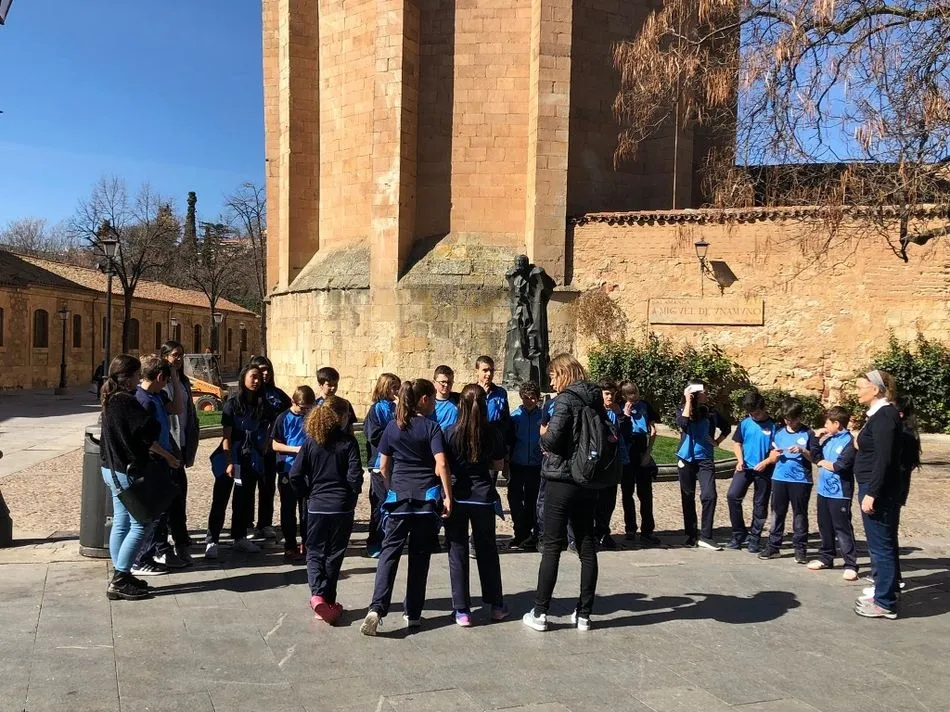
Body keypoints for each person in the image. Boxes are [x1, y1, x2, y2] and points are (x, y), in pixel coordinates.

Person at [523, 354, 613, 633]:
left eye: (552, 376)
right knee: (587, 546)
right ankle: (584, 614)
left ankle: (540, 612)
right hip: (587, 479)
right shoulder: (595, 399)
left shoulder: (564, 400)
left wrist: (543, 432)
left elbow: (552, 440)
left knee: (552, 546)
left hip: (562, 479)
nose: (551, 382)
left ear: (563, 373)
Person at [360, 379, 453, 636]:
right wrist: (448, 496)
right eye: (432, 399)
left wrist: (392, 487)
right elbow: (441, 464)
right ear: (424, 399)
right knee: (419, 556)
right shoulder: (432, 428)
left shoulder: (393, 427)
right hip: (425, 500)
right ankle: (413, 612)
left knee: (389, 554)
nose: (435, 404)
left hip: (399, 499)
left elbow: (383, 466)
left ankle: (376, 608)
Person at [99, 355, 180, 601]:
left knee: (122, 522)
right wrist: (167, 455)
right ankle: (120, 578)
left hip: (111, 469)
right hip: (127, 471)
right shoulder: (126, 401)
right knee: (141, 523)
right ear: (129, 377)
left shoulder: (110, 398)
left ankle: (121, 573)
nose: (139, 379)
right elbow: (148, 432)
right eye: (136, 375)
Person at [290, 395, 364, 624]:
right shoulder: (348, 442)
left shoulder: (311, 443)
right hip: (341, 506)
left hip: (317, 505)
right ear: (339, 418)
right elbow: (354, 475)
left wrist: (306, 493)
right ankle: (328, 599)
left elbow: (295, 474)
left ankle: (318, 595)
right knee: (334, 554)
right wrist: (353, 494)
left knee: (314, 551)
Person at [444, 384, 509, 626]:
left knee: (457, 550)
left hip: (458, 495)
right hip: (483, 496)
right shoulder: (493, 433)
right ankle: (496, 605)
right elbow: (498, 464)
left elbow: (444, 464)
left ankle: (462, 609)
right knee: (487, 550)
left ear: (460, 404)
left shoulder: (450, 432)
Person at [851, 370, 903, 620]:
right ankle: (886, 591)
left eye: (860, 387)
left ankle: (885, 602)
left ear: (875, 389)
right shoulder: (879, 415)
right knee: (883, 544)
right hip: (875, 487)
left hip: (878, 491)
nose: (857, 392)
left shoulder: (885, 416)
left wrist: (872, 492)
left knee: (881, 546)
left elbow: (884, 459)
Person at [205, 364, 270, 557]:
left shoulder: (262, 405)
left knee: (243, 499)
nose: (256, 381)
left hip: (250, 457)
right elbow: (226, 436)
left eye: (259, 378)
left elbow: (265, 428)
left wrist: (263, 447)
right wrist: (229, 461)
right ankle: (212, 539)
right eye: (253, 377)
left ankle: (240, 537)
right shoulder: (232, 404)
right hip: (232, 454)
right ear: (243, 378)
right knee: (221, 498)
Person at [130, 354, 185, 577]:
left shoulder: (157, 395)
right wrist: (168, 456)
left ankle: (153, 553)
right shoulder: (142, 400)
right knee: (152, 513)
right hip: (153, 460)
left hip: (162, 458)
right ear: (159, 376)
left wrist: (175, 379)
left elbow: (178, 408)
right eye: (166, 379)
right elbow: (145, 439)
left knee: (161, 511)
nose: (167, 384)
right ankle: (141, 559)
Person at [757, 398, 821, 564]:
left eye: (792, 419)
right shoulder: (778, 432)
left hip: (801, 480)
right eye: (786, 419)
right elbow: (771, 453)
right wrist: (774, 456)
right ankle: (773, 546)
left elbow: (816, 459)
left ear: (799, 417)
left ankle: (800, 549)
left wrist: (803, 450)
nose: (789, 422)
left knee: (799, 515)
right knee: (777, 513)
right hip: (779, 478)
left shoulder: (808, 433)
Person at [675, 380, 731, 550]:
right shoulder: (682, 409)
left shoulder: (711, 412)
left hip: (705, 458)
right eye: (704, 392)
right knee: (687, 496)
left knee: (709, 495)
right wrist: (688, 401)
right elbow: (683, 423)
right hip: (686, 458)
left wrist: (717, 441)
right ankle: (691, 535)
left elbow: (726, 427)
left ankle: (706, 536)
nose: (707, 394)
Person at [159, 341, 198, 567]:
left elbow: (187, 412)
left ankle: (180, 539)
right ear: (164, 357)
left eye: (181, 355)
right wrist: (172, 376)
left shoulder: (183, 381)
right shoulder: (162, 383)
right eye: (175, 355)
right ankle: (175, 542)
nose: (179, 359)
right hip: (168, 446)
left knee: (180, 493)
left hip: (181, 442)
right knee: (171, 496)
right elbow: (174, 408)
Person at [810, 406, 858, 580]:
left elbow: (840, 466)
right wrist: (816, 438)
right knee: (824, 525)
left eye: (827, 423)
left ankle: (851, 564)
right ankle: (826, 557)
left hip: (840, 493)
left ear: (836, 423)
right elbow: (816, 456)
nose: (825, 426)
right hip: (823, 491)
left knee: (842, 528)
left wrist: (824, 463)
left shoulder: (849, 442)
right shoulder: (829, 440)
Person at [727, 390, 776, 553]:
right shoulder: (745, 423)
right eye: (751, 414)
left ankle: (755, 537)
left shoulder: (774, 426)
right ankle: (738, 533)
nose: (753, 416)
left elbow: (776, 452)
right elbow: (737, 443)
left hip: (764, 470)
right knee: (733, 496)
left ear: (763, 409)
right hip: (745, 468)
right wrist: (740, 460)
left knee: (760, 504)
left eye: (756, 413)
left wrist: (766, 462)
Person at [249, 355, 292, 541]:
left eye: (267, 370)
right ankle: (247, 524)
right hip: (251, 448)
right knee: (248, 488)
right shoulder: (247, 395)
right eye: (261, 370)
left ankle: (265, 523)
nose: (265, 374)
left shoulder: (278, 395)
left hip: (270, 448)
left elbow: (289, 414)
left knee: (267, 486)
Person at [272, 386, 317, 562]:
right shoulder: (283, 418)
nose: (305, 412)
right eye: (302, 408)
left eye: (308, 408)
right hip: (288, 468)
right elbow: (275, 445)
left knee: (306, 510)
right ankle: (290, 545)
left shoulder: (312, 417)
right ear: (293, 402)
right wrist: (296, 450)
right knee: (288, 509)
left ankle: (307, 543)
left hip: (308, 470)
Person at [363, 373, 401, 558]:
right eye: (394, 387)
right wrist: (392, 438)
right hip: (379, 463)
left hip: (396, 462)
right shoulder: (376, 409)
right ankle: (375, 540)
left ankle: (390, 539)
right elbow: (373, 435)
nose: (397, 391)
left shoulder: (396, 407)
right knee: (379, 503)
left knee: (393, 501)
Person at [619, 380, 660, 547]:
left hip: (641, 449)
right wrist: (626, 415)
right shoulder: (620, 407)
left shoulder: (645, 406)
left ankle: (647, 530)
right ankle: (630, 528)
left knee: (645, 494)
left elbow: (653, 431)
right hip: (627, 451)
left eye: (635, 392)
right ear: (623, 396)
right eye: (630, 394)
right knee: (627, 492)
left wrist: (648, 454)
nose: (634, 396)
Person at [508, 381, 543, 551]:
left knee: (533, 500)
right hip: (517, 463)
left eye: (533, 398)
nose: (529, 401)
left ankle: (532, 534)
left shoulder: (542, 416)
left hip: (535, 465)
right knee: (514, 500)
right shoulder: (515, 417)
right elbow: (509, 440)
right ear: (521, 397)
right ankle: (519, 532)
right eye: (526, 398)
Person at [595, 381, 629, 550]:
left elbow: (627, 433)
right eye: (607, 394)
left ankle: (604, 531)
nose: (610, 397)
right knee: (595, 500)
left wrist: (621, 415)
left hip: (614, 461)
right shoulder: (594, 411)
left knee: (609, 500)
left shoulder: (617, 411)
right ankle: (595, 532)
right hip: (597, 462)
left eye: (613, 394)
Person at [431, 365, 460, 430]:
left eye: (449, 382)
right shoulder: (429, 404)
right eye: (443, 382)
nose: (446, 385)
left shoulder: (458, 400)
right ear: (434, 382)